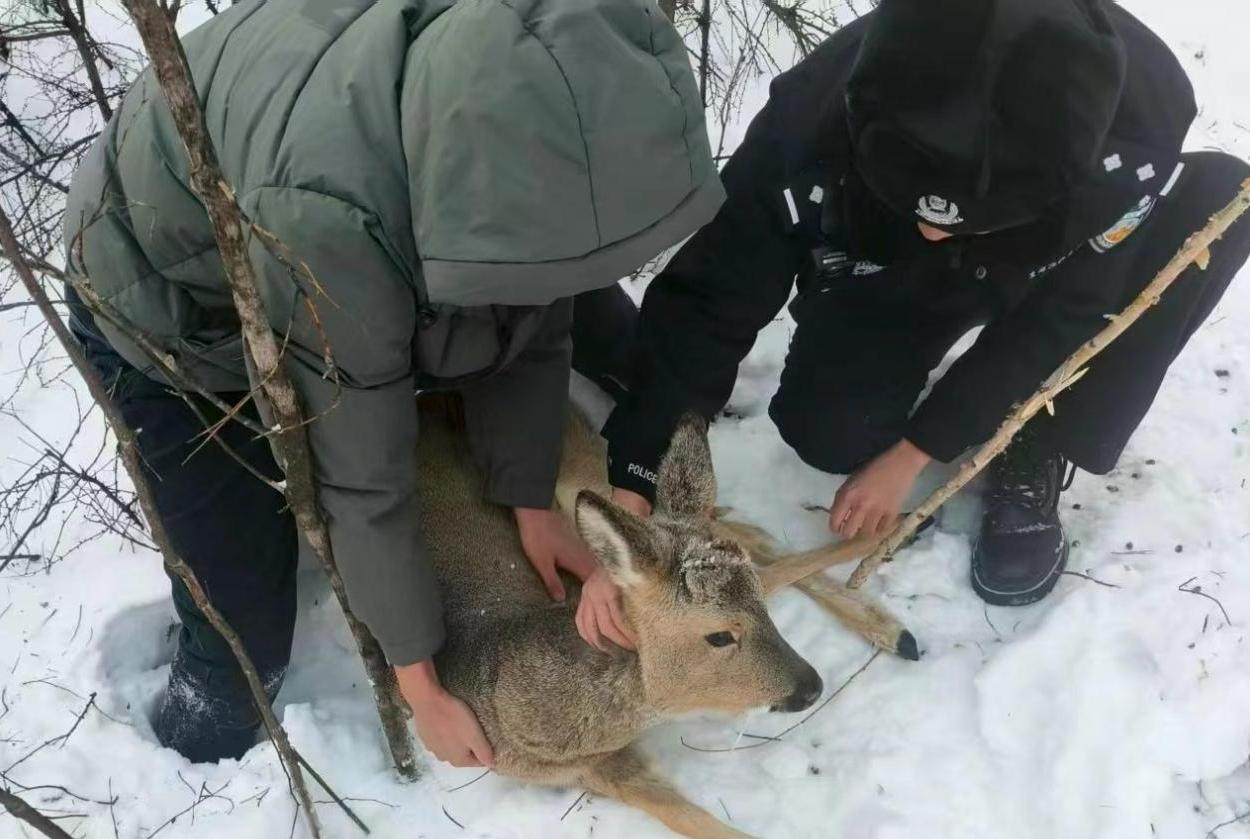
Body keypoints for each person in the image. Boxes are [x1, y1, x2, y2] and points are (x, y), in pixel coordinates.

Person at [62, 0, 723, 765]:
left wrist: (529, 497)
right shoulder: (333, 222)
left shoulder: (527, 89)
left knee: (560, 300)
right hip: (166, 308)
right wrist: (421, 682)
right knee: (242, 647)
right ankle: (185, 753)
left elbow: (534, 317)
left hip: (318, 182)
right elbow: (359, 466)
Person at [600, 0, 1250, 607]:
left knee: (1220, 207)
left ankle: (1038, 431)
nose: (935, 231)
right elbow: (712, 294)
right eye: (924, 209)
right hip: (887, 259)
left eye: (957, 219)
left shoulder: (1134, 129)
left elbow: (1069, 312)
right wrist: (639, 472)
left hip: (1040, 251)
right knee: (830, 431)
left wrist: (918, 450)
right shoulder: (811, 122)